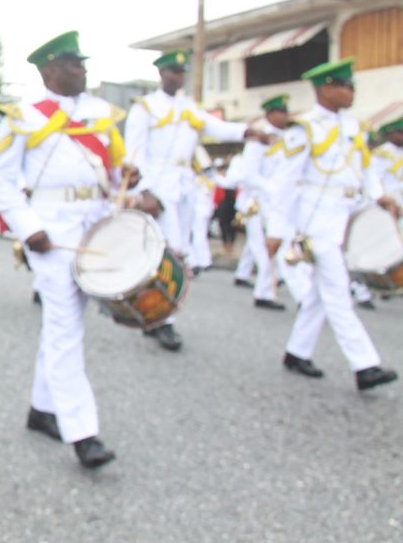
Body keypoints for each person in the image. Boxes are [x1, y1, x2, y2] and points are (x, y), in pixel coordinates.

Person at [0, 31, 135, 468]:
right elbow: (0, 183)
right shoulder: (23, 117)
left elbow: (112, 172)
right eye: (72, 63)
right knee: (66, 328)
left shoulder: (101, 115)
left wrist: (131, 184)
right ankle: (83, 432)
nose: (82, 69)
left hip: (96, 227)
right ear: (48, 69)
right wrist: (28, 227)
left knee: (65, 327)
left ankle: (40, 410)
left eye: (82, 62)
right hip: (50, 233)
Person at [124, 50, 271, 351]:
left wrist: (248, 132)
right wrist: (146, 190)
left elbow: (218, 128)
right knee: (172, 252)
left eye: (182, 72)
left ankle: (151, 312)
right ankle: (164, 321)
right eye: (173, 72)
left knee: (171, 253)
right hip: (158, 185)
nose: (178, 77)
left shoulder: (189, 108)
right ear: (161, 74)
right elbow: (133, 152)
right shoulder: (145, 108)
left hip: (184, 186)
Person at [271, 58, 397, 391]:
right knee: (338, 291)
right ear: (325, 89)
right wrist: (277, 232)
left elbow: (366, 168)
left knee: (317, 295)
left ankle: (297, 353)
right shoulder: (304, 129)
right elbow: (283, 185)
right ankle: (365, 365)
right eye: (345, 86)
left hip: (345, 217)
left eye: (351, 85)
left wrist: (379, 195)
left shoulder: (354, 127)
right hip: (316, 220)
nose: (352, 91)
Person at [228, 95, 291, 309]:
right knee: (261, 248)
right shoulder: (259, 139)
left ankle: (264, 289)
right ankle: (265, 292)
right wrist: (273, 189)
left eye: (285, 112)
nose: (284, 116)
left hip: (277, 202)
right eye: (280, 112)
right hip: (257, 201)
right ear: (269, 115)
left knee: (273, 246)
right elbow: (249, 174)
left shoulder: (288, 137)